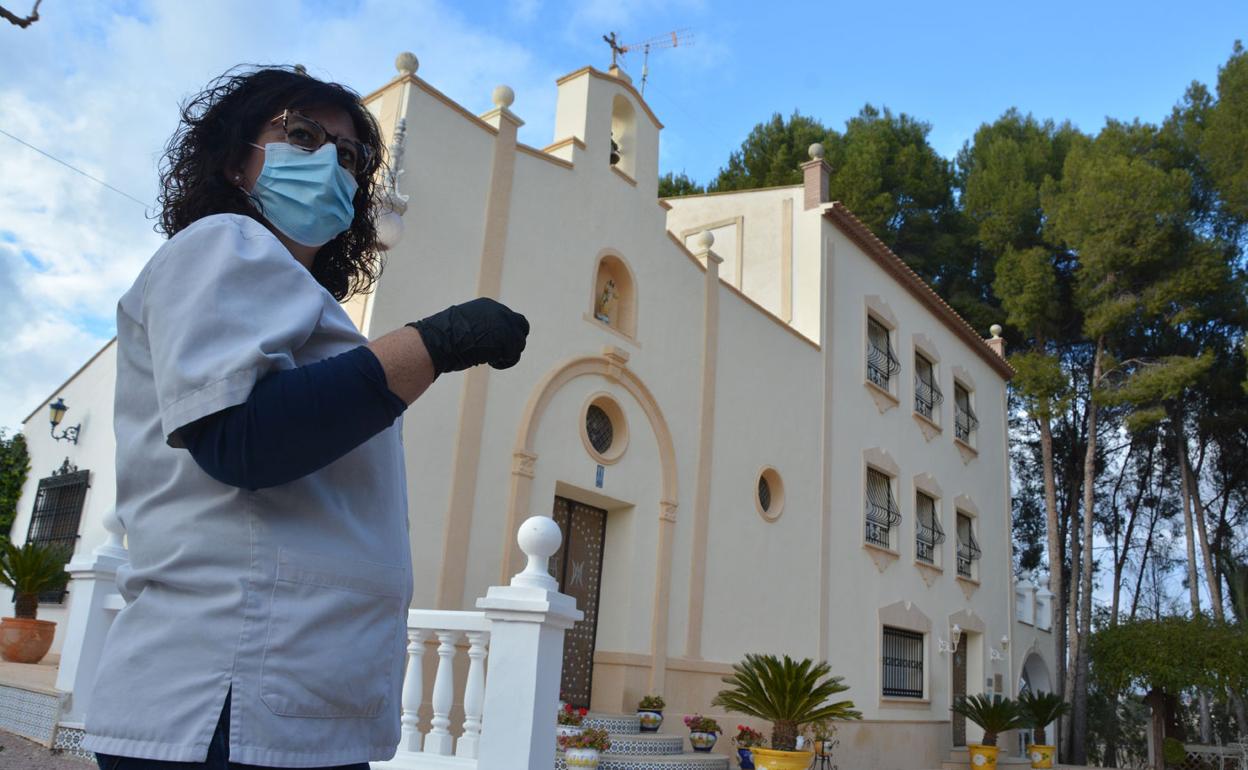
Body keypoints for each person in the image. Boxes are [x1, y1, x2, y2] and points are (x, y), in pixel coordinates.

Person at [83, 66, 530, 770]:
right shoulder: (223, 242)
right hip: (225, 705)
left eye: (350, 157)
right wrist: (438, 342)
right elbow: (243, 439)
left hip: (280, 710)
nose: (330, 162)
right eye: (301, 135)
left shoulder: (286, 290)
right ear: (235, 159)